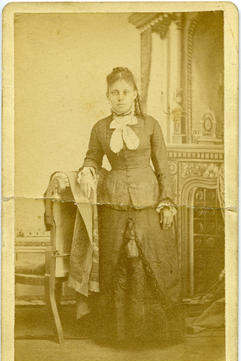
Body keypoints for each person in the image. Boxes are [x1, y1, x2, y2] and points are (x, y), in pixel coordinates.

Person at [77, 67, 184, 346]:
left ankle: (153, 333)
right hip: (113, 204)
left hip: (148, 203)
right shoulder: (100, 128)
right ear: (108, 96)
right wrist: (88, 170)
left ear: (134, 93)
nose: (120, 97)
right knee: (116, 263)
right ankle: (117, 335)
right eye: (115, 93)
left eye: (125, 92)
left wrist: (167, 202)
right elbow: (92, 157)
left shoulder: (150, 124)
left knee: (151, 260)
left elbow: (163, 169)